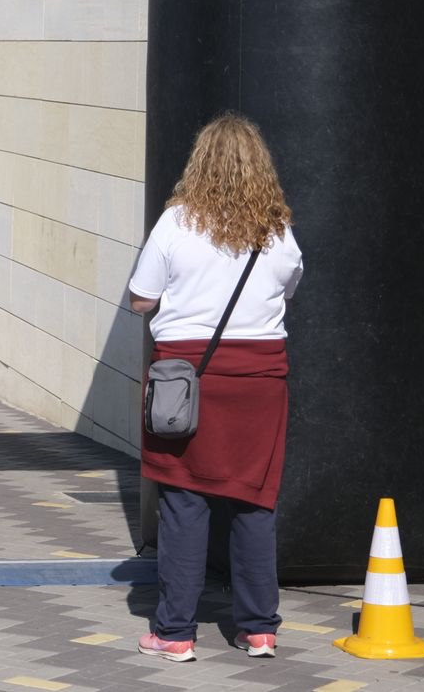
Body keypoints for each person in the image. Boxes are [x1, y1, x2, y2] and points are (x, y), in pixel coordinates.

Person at [127, 113, 303, 663]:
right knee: (255, 500)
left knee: (183, 499)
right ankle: (259, 629)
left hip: (187, 378)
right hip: (260, 381)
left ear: (198, 163)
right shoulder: (277, 229)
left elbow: (140, 298)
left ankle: (175, 632)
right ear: (261, 168)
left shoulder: (176, 223)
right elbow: (290, 287)